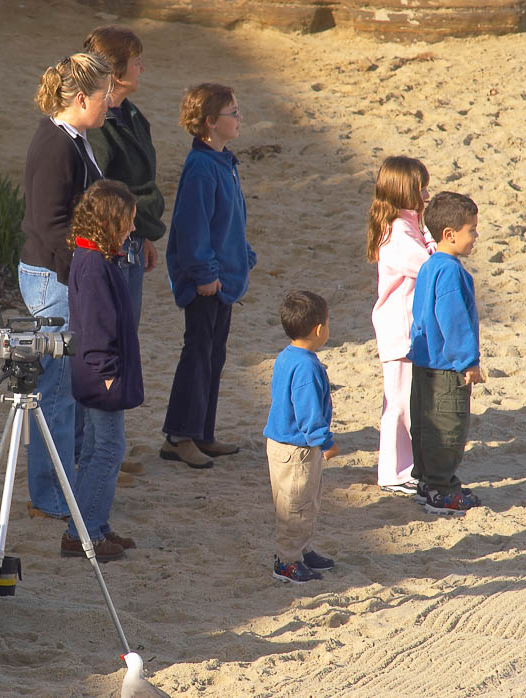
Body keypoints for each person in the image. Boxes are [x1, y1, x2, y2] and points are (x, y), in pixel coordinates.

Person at [19, 52, 113, 520]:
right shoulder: (59, 145)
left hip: (55, 274)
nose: (110, 104)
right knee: (55, 395)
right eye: (104, 96)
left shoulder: (69, 137)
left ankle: (61, 487)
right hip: (53, 278)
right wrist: (84, 273)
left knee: (63, 392)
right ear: (80, 98)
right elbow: (50, 224)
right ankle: (52, 498)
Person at [161, 83, 255, 469]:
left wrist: (243, 257)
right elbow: (191, 227)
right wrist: (204, 273)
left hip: (225, 279)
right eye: (233, 113)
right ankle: (178, 436)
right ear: (210, 122)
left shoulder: (224, 160)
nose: (240, 118)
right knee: (197, 355)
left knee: (213, 356)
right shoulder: (201, 166)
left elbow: (231, 220)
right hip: (207, 282)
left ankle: (201, 432)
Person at [61, 180, 144, 562]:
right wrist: (108, 373)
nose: (131, 229)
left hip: (96, 370)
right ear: (109, 223)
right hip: (100, 372)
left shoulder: (95, 257)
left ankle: (93, 525)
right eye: (126, 222)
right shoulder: (94, 265)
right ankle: (84, 534)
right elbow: (95, 328)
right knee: (109, 449)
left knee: (97, 448)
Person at [83, 25, 165, 328]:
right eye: (136, 61)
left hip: (132, 238)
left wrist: (142, 235)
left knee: (127, 332)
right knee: (114, 336)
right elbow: (97, 189)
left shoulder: (130, 114)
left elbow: (143, 177)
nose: (142, 68)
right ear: (116, 73)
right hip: (113, 245)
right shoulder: (98, 124)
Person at [407, 191, 483, 514]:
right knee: (448, 426)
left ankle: (426, 482)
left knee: (424, 424)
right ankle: (441, 489)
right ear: (450, 235)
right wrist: (468, 360)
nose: (476, 236)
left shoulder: (430, 265)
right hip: (445, 366)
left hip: (424, 362)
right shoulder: (451, 271)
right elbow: (452, 319)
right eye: (472, 230)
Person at [367, 156, 434, 495]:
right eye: (419, 189)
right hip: (399, 329)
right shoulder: (395, 233)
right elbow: (426, 265)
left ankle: (404, 467)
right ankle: (394, 472)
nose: (425, 195)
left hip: (408, 328)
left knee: (405, 400)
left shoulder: (408, 224)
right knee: (398, 403)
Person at [263, 291, 339, 584]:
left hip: (284, 444)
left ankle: (301, 550)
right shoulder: (307, 366)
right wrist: (324, 440)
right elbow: (308, 410)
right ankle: (286, 561)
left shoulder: (287, 355)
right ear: (319, 329)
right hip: (298, 448)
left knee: (304, 503)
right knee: (296, 506)